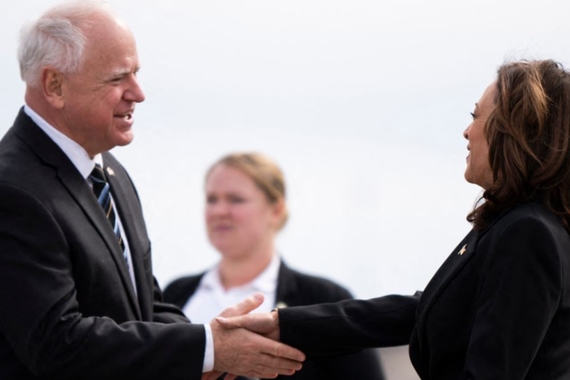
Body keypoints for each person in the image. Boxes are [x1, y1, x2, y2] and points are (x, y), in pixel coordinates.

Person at [0, 2, 305, 379]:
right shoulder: (12, 190)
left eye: (136, 74)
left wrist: (210, 342)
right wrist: (207, 349)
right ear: (54, 85)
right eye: (117, 79)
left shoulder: (111, 173)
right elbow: (59, 344)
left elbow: (145, 307)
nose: (138, 93)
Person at [219, 59, 570, 380]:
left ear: (515, 131)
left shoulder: (527, 232)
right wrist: (286, 325)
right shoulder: (511, 224)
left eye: (476, 116)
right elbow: (420, 310)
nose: (467, 131)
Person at [164, 152, 385, 379]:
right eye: (212, 199)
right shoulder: (176, 294)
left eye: (235, 199)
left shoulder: (324, 298)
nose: (219, 211)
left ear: (276, 209)